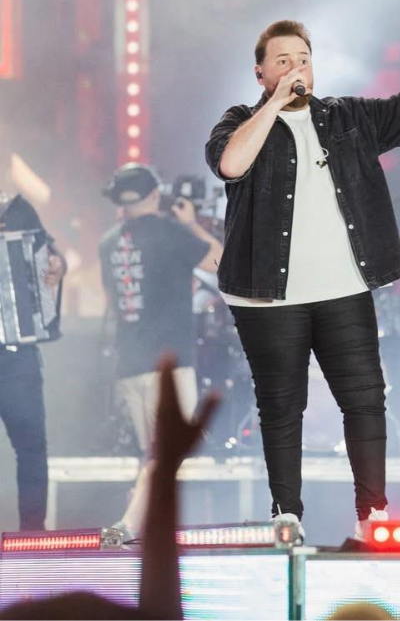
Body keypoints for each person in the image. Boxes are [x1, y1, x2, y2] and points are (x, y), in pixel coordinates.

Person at [205, 19, 400, 541]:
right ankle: (286, 515)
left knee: (365, 398)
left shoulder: (346, 117)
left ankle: (373, 513)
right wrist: (274, 104)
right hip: (267, 296)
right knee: (282, 406)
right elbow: (232, 164)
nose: (296, 68)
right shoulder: (241, 121)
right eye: (283, 61)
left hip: (343, 288)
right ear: (260, 73)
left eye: (303, 59)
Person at [0, 355, 221, 620]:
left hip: (133, 369)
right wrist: (167, 468)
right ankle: (125, 526)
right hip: (142, 370)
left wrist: (165, 467)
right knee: (151, 463)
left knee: (150, 462)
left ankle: (125, 526)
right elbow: (160, 612)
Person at [99, 163, 222, 539]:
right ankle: (127, 525)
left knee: (151, 454)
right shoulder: (171, 233)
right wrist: (191, 224)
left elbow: (114, 301)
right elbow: (220, 261)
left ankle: (141, 526)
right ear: (155, 195)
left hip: (129, 364)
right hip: (168, 364)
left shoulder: (107, 243)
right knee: (165, 451)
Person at [0, 190, 66, 531]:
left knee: (30, 446)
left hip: (16, 356)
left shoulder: (16, 209)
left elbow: (50, 254)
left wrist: (56, 266)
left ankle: (32, 534)